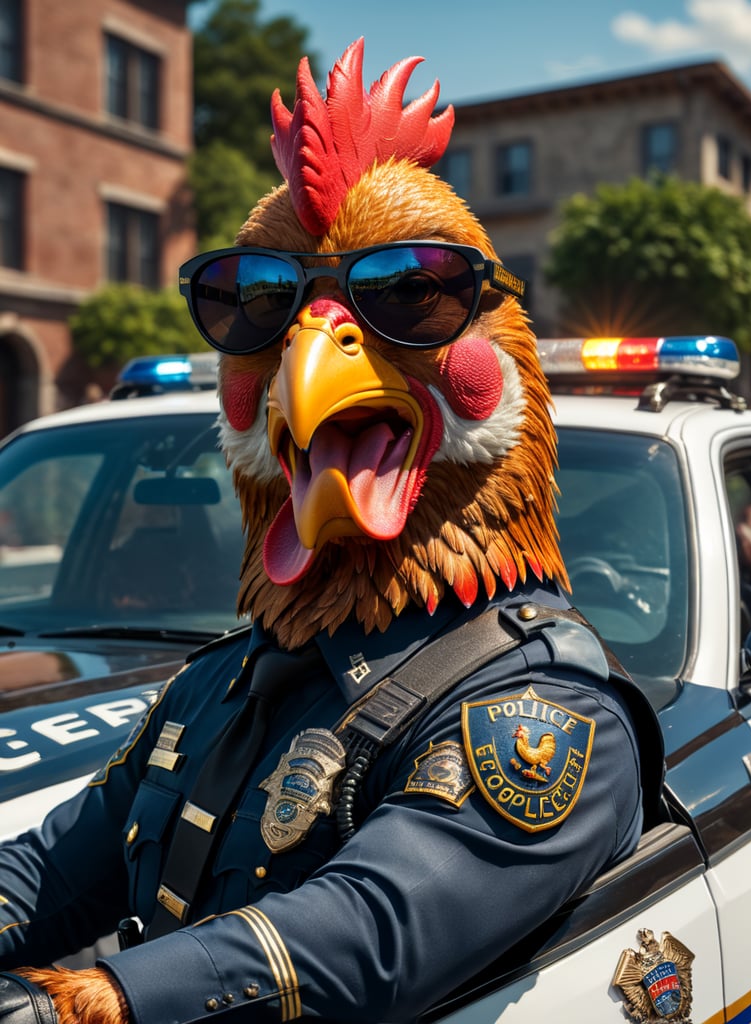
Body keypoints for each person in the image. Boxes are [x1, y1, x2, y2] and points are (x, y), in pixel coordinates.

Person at [0, 40, 662, 1024]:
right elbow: (59, 866)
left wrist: (79, 1008)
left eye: (409, 294)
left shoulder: (543, 713)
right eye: (263, 305)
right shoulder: (215, 685)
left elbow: (368, 934)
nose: (313, 344)